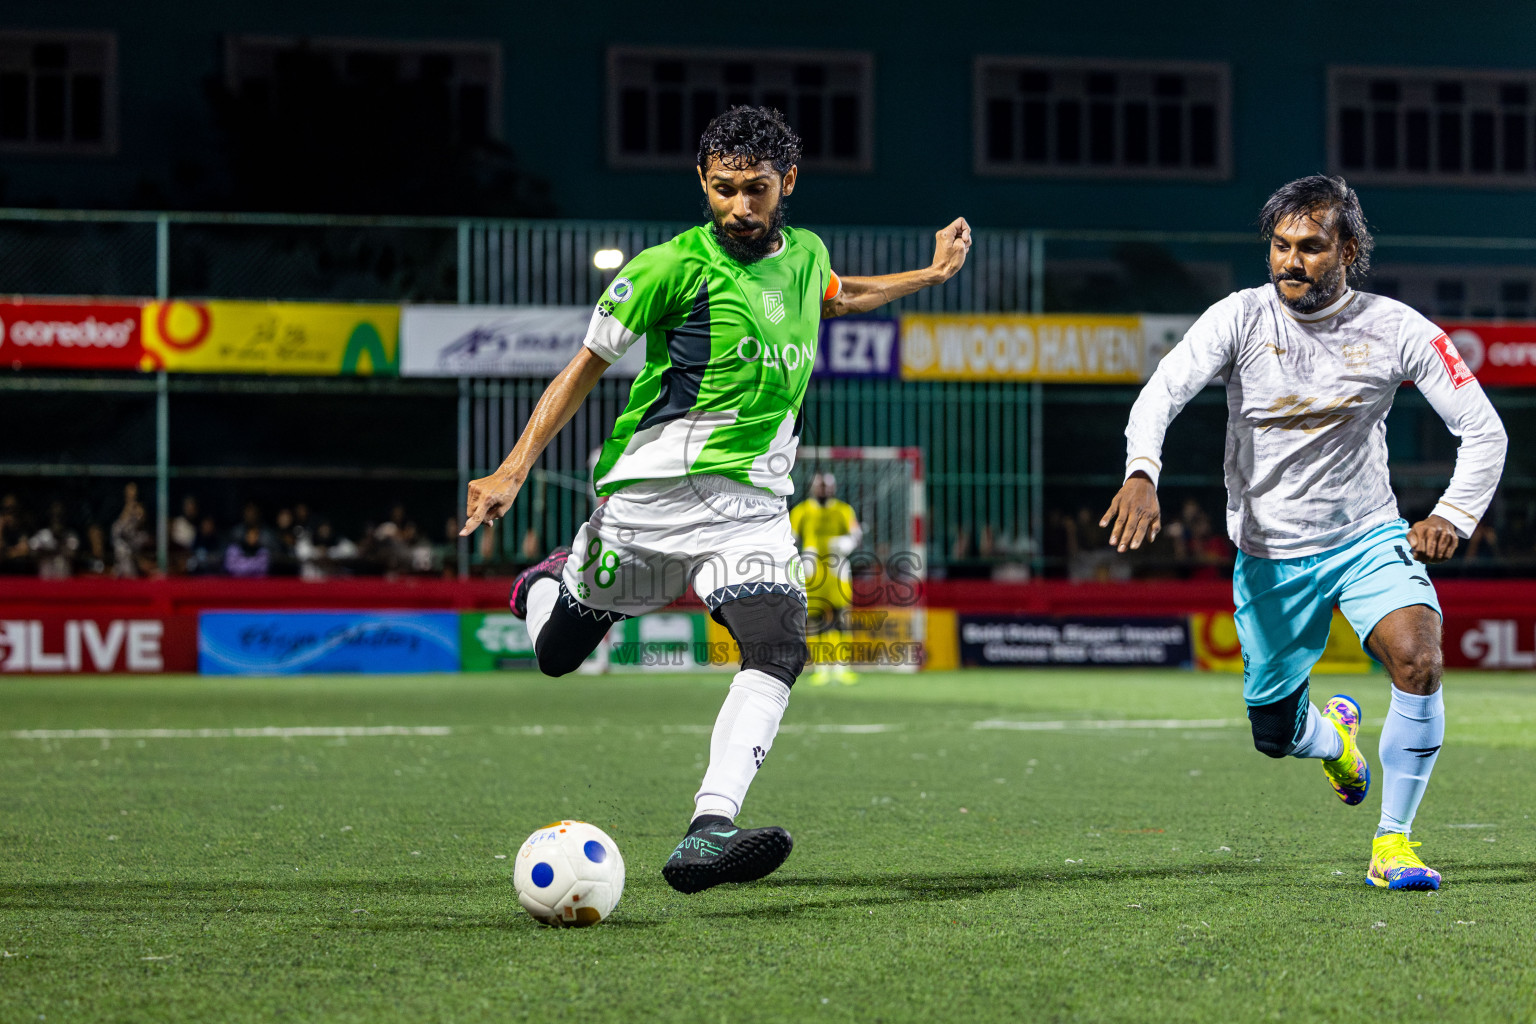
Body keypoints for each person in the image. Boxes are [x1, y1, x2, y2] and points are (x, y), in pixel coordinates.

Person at [461, 106, 971, 894]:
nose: (739, 206)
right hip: (651, 498)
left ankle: (708, 829)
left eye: (756, 189)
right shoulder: (670, 266)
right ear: (703, 182)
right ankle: (543, 585)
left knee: (779, 646)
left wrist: (928, 276)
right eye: (724, 189)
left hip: (754, 504)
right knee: (558, 654)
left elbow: (839, 294)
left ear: (786, 183)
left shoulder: (804, 255)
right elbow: (584, 364)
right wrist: (512, 469)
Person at [1102, 175, 1507, 891]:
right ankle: (1334, 743)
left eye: (1312, 247)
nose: (1291, 261)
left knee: (1418, 659)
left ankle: (1394, 843)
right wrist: (1142, 472)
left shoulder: (1399, 329)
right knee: (1273, 735)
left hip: (1367, 536)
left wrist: (1451, 514)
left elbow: (1482, 430)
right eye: (1281, 246)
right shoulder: (1239, 317)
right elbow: (1162, 392)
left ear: (1347, 250)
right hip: (1270, 552)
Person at [789, 472, 863, 685]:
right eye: (820, 486)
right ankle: (821, 667)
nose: (823, 490)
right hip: (813, 569)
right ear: (813, 488)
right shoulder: (801, 511)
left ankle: (841, 666)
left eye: (827, 486)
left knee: (841, 617)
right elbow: (790, 538)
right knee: (815, 618)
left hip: (837, 567)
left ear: (833, 488)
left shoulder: (843, 510)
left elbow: (856, 534)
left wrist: (847, 542)